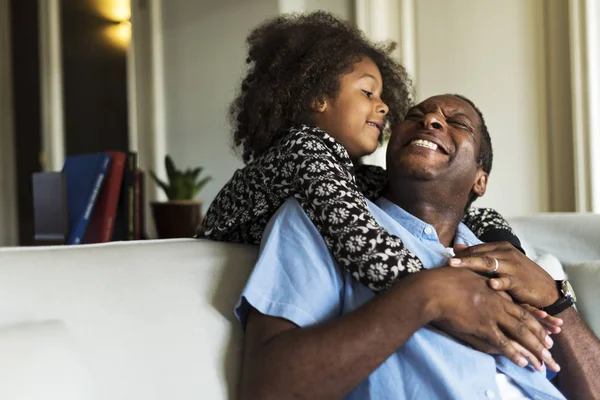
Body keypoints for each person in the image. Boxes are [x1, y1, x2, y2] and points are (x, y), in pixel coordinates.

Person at [234, 94, 600, 399]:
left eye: (457, 122)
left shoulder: (505, 255)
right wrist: (427, 296)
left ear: (480, 179)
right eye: (415, 116)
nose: (431, 122)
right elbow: (269, 388)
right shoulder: (322, 220)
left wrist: (555, 297)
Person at [198, 11, 522, 295]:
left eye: (382, 96)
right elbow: (371, 253)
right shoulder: (303, 150)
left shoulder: (353, 176)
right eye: (368, 92)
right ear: (316, 98)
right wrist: (473, 302)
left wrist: (510, 252)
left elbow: (473, 213)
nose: (384, 107)